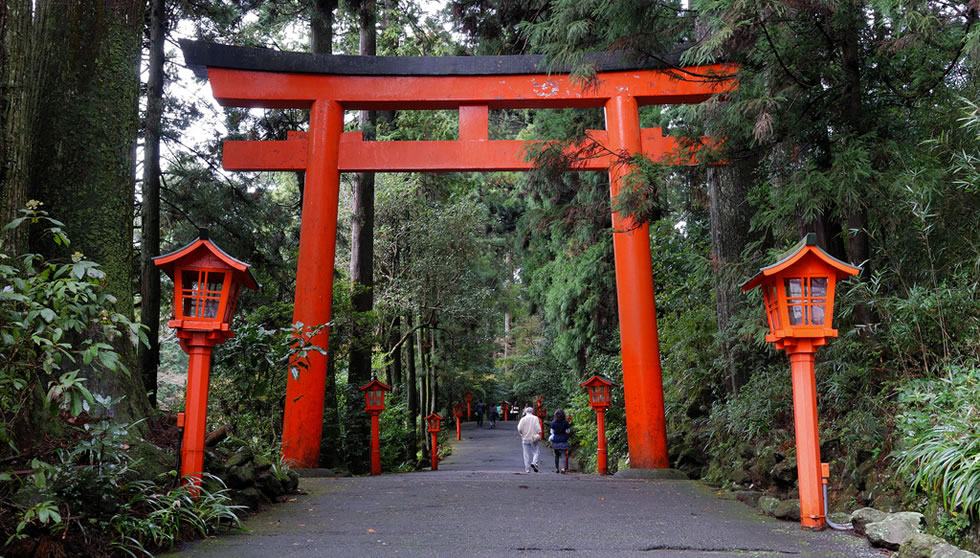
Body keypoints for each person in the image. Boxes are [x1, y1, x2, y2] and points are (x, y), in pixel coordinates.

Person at [517, 407, 541, 473]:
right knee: (536, 452)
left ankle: (527, 469)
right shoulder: (535, 418)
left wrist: (521, 434)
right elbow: (538, 428)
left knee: (526, 454)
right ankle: (534, 463)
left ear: (526, 412)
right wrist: (538, 433)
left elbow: (519, 428)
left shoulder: (523, 419)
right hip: (533, 438)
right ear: (532, 411)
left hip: (525, 438)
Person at [550, 408, 572, 473]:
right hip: (563, 439)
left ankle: (557, 468)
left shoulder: (553, 422)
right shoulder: (565, 422)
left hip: (556, 440)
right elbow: (568, 431)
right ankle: (563, 468)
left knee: (556, 455)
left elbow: (552, 432)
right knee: (563, 455)